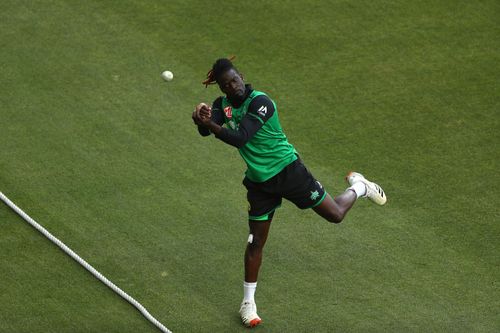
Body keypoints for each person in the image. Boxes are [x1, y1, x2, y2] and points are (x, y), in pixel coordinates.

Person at [192, 57, 386, 328]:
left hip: (289, 172)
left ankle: (360, 187)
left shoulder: (261, 102)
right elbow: (205, 131)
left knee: (336, 215)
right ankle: (248, 303)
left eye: (235, 80)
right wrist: (200, 118)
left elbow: (241, 137)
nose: (233, 86)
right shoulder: (221, 106)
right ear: (221, 88)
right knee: (255, 242)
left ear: (241, 76)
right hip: (260, 183)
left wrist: (210, 126)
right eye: (226, 84)